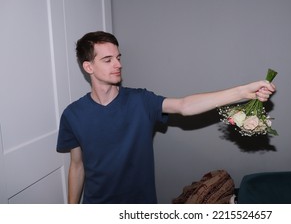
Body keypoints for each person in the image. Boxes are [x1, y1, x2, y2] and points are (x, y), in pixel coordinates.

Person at [56, 31, 276, 204]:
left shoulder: (140, 101)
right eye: (108, 59)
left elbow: (184, 105)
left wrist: (243, 92)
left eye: (118, 57)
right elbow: (77, 166)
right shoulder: (73, 114)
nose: (118, 64)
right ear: (88, 67)